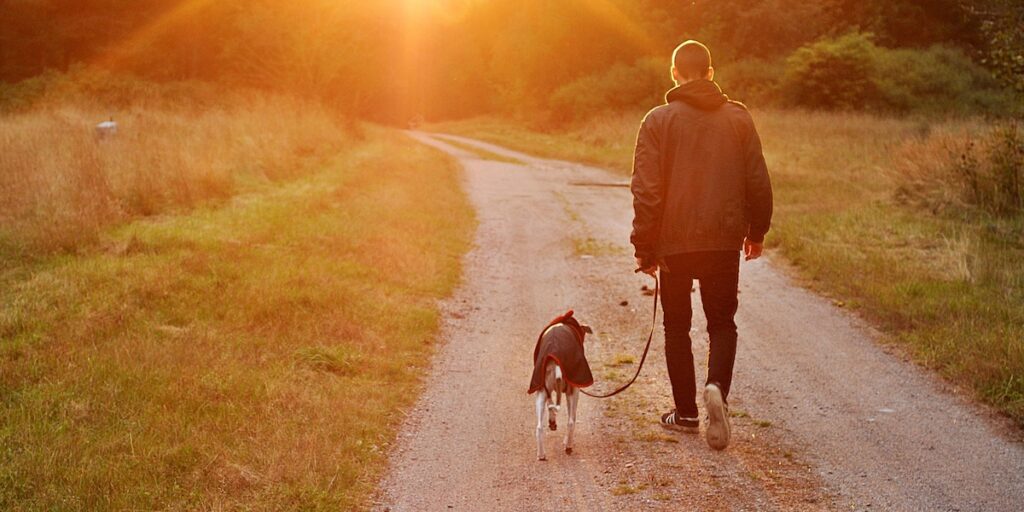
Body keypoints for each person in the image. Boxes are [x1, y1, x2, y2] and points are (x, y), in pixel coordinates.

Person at [629, 40, 773, 450]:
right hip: (724, 240)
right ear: (711, 72)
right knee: (722, 323)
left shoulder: (657, 120)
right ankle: (716, 390)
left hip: (673, 245)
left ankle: (687, 413)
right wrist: (756, 232)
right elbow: (758, 181)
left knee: (677, 327)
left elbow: (646, 190)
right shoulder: (739, 119)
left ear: (674, 73)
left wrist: (645, 245)